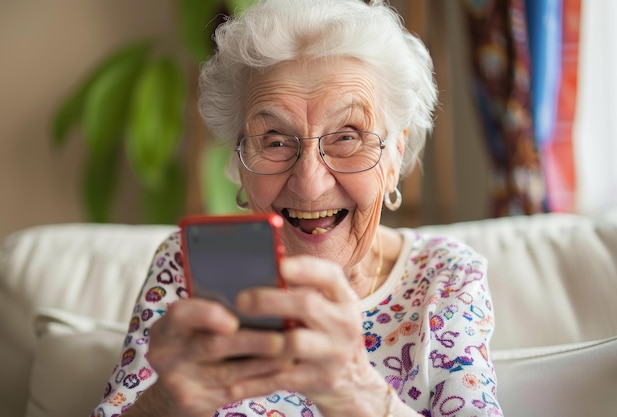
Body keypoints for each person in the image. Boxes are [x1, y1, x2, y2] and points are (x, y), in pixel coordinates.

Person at [91, 0, 502, 416]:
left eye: (347, 136)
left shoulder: (445, 277)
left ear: (395, 157)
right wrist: (162, 405)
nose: (309, 184)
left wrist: (359, 394)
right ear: (237, 164)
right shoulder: (185, 268)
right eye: (274, 140)